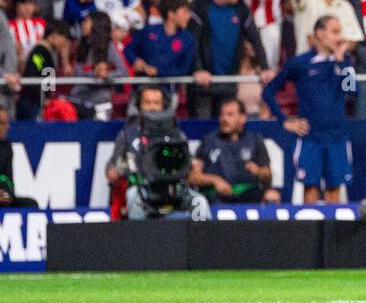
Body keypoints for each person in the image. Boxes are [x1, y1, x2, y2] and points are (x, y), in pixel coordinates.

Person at [262, 15, 356, 203]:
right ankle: (310, 231)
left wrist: (339, 62)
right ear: (320, 34)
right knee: (310, 190)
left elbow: (352, 92)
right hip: (310, 137)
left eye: (340, 32)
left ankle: (331, 231)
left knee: (334, 190)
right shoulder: (301, 62)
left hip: (337, 136)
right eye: (334, 32)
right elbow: (268, 92)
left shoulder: (345, 62)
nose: (339, 37)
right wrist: (284, 120)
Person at [107, 85, 211, 220]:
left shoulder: (176, 134)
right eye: (147, 102)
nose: (152, 107)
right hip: (143, 190)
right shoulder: (128, 135)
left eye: (156, 103)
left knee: (200, 202)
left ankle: (201, 239)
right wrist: (115, 170)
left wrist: (194, 165)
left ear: (164, 106)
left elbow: (187, 163)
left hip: (174, 190)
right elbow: (111, 167)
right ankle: (139, 239)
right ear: (139, 106)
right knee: (133, 196)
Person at [191, 98, 279, 204]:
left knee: (272, 196)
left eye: (230, 115)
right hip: (217, 198)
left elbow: (267, 174)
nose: (224, 119)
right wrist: (214, 180)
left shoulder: (254, 140)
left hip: (248, 195)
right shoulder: (209, 141)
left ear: (242, 118)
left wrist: (258, 171)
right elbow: (193, 177)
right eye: (222, 114)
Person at [0, 107, 38, 207]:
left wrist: (6, 195)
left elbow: (7, 179)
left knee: (31, 204)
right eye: (2, 123)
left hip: (3, 198)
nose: (7, 127)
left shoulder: (6, 147)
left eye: (7, 123)